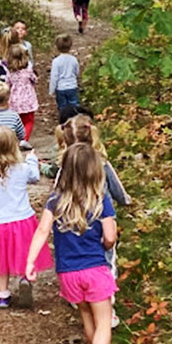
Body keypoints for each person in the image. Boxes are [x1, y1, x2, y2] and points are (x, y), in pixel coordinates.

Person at [25, 143, 118, 344]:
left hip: (68, 273)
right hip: (95, 269)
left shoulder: (56, 200)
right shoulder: (101, 200)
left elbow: (42, 230)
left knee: (87, 317)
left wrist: (30, 262)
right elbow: (110, 236)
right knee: (104, 322)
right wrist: (105, 242)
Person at [55, 114, 131, 328]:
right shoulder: (102, 163)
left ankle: (82, 299)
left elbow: (57, 194)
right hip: (102, 219)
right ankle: (108, 307)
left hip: (75, 222)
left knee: (79, 257)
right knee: (106, 262)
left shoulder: (65, 167)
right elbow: (117, 188)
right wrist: (125, 200)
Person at [0, 127, 51, 308]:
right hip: (23, 219)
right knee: (25, 253)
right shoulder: (22, 168)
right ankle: (25, 278)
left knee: (0, 261)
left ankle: (2, 295)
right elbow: (35, 176)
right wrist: (32, 158)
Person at [5, 43, 38, 141]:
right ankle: (24, 139)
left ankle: (17, 137)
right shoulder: (27, 71)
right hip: (27, 99)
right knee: (29, 120)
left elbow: (7, 84)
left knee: (18, 120)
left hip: (15, 99)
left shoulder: (10, 72)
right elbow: (34, 79)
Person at [49, 34, 80, 115]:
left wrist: (51, 90)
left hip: (61, 88)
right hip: (72, 86)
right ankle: (73, 120)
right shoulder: (74, 59)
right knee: (73, 105)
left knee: (62, 106)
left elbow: (54, 77)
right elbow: (77, 72)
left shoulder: (56, 61)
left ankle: (64, 121)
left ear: (57, 47)